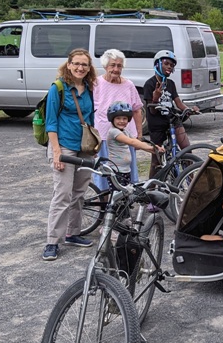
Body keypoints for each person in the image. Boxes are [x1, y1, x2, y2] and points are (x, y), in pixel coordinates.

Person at [42, 49, 99, 261]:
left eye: (84, 64)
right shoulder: (58, 88)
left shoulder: (90, 88)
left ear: (89, 67)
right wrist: (56, 152)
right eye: (76, 63)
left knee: (79, 193)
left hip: (84, 146)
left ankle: (73, 233)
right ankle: (52, 241)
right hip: (63, 146)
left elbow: (91, 117)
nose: (80, 68)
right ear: (68, 64)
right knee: (62, 194)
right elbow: (51, 122)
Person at [143, 50, 200, 177]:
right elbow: (151, 109)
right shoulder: (149, 84)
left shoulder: (171, 84)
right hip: (157, 123)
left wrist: (189, 109)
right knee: (156, 161)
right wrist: (156, 97)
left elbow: (178, 103)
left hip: (172, 119)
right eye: (166, 63)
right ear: (158, 64)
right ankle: (150, 191)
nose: (169, 67)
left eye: (172, 65)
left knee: (186, 151)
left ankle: (191, 183)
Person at [92, 49, 143, 190]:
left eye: (119, 66)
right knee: (104, 171)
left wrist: (139, 134)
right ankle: (105, 203)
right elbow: (88, 111)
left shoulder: (129, 85)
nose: (116, 69)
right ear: (105, 66)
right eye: (112, 65)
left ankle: (125, 202)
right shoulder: (96, 84)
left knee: (127, 170)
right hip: (103, 137)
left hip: (126, 136)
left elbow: (137, 109)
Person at [105, 102, 163, 188]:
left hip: (125, 170)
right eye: (118, 118)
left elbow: (136, 144)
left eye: (124, 118)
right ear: (112, 119)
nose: (121, 121)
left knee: (125, 195)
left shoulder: (125, 131)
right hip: (115, 170)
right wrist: (150, 147)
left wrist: (154, 149)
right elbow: (132, 142)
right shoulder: (113, 132)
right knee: (118, 194)